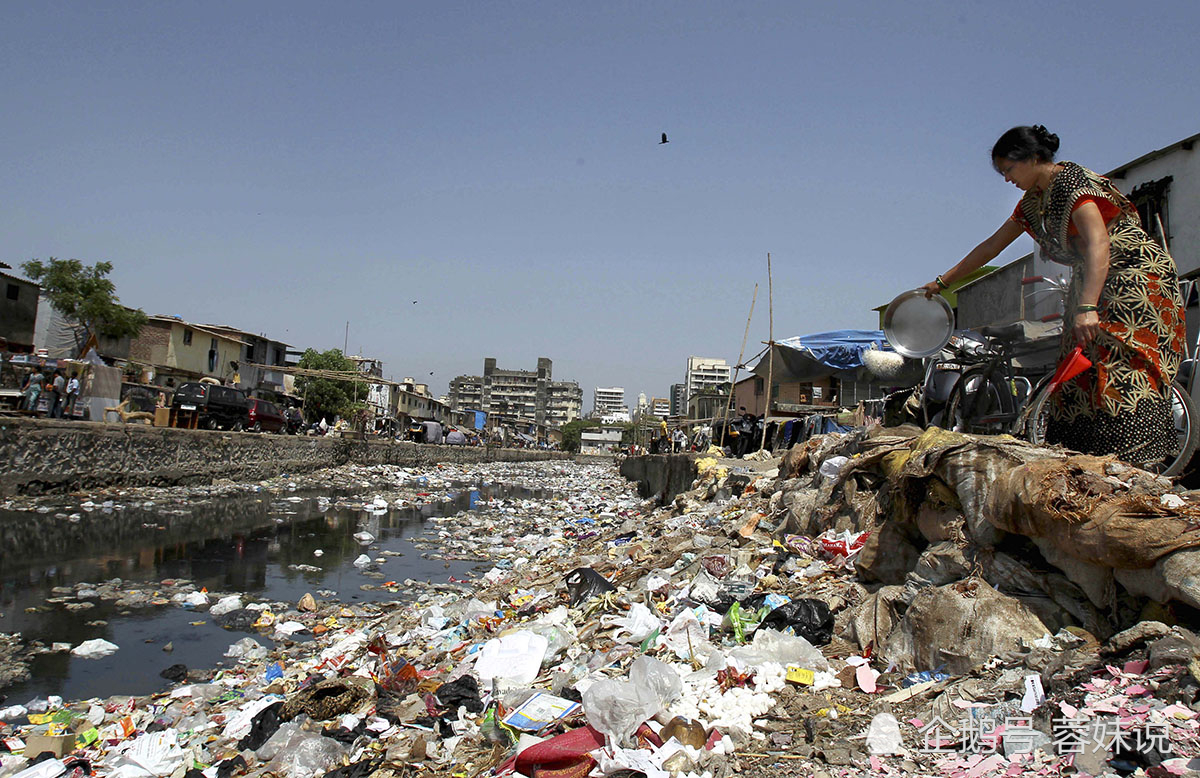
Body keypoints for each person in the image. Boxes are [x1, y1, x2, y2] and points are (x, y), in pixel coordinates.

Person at [923, 125, 1185, 465]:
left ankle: (1136, 460)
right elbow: (991, 247)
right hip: (1092, 276)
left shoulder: (1073, 184)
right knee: (1076, 364)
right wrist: (943, 282)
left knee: (1117, 361)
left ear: (1033, 158)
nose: (1006, 179)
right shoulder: (1032, 204)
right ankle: (1089, 459)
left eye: (1009, 169)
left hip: (1132, 275)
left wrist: (1088, 306)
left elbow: (1098, 242)